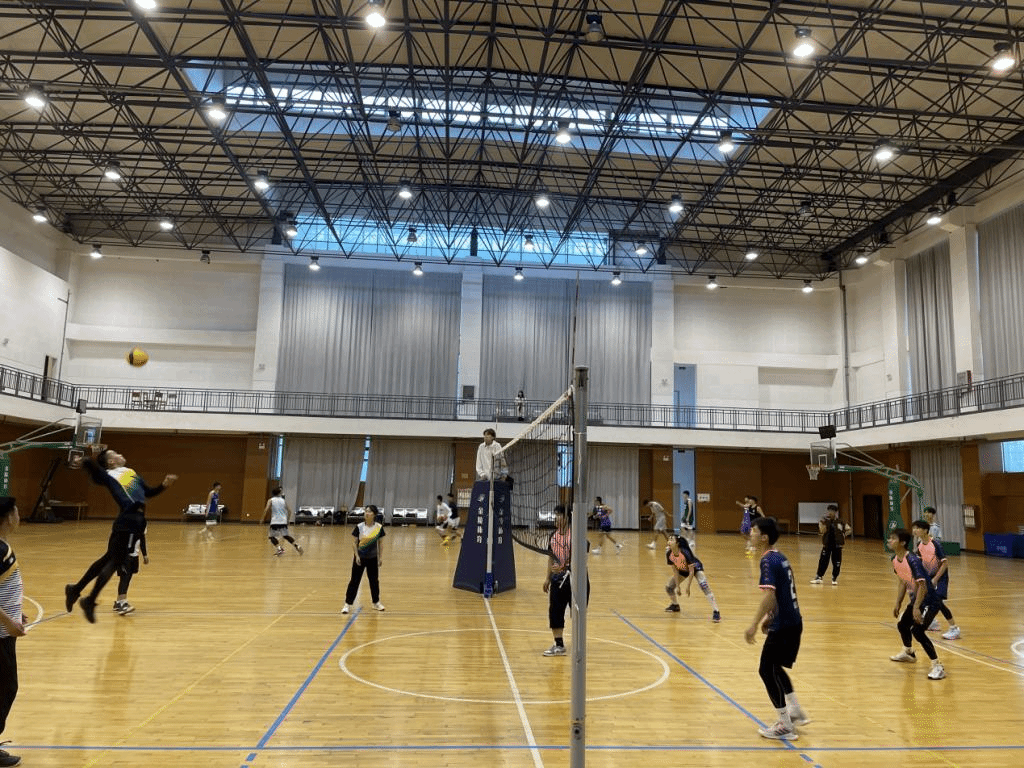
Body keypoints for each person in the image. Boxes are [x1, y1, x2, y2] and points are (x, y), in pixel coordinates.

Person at [67, 446, 177, 623]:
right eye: (116, 454)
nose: (120, 454)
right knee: (115, 561)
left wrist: (163, 485)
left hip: (134, 520)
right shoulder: (111, 475)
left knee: (107, 559)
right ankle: (89, 600)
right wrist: (86, 460)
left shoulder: (130, 473)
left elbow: (148, 493)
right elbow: (96, 472)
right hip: (129, 520)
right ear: (111, 461)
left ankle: (75, 590)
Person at [744, 517, 809, 741]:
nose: (750, 533)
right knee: (775, 667)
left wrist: (754, 624)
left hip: (784, 625)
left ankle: (785, 724)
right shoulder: (780, 557)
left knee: (766, 669)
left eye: (754, 530)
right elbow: (782, 593)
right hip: (792, 621)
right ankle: (794, 709)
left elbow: (770, 595)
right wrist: (770, 618)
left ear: (764, 537)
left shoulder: (767, 560)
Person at [888, 528, 946, 680]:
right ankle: (909, 653)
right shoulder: (895, 560)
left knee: (918, 631)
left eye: (893, 538)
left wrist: (916, 608)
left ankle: (937, 665)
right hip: (918, 600)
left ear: (902, 542)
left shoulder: (912, 560)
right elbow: (902, 582)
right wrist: (898, 603)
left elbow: (923, 586)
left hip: (930, 600)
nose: (889, 541)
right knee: (902, 625)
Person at [542, 505, 589, 656]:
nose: (556, 518)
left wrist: (565, 566)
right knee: (555, 611)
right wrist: (548, 578)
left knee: (578, 612)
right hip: (558, 580)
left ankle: (579, 645)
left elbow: (583, 556)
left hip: (577, 579)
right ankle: (559, 645)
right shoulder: (553, 536)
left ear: (567, 518)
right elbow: (551, 558)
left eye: (559, 515)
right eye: (555, 515)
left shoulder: (576, 534)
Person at [0, 497, 26, 768]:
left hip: (5, 629)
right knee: (5, 688)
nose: (19, 516)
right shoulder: (0, 550)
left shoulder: (3, 547)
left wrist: (15, 612)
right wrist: (8, 620)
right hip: (0, 633)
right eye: (16, 512)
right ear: (8, 517)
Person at [912, 518, 960, 640]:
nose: (915, 530)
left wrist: (935, 579)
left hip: (941, 577)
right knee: (936, 603)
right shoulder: (919, 545)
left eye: (917, 528)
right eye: (914, 528)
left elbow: (945, 563)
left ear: (925, 530)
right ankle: (935, 623)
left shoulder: (935, 544)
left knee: (937, 601)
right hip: (930, 578)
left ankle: (954, 628)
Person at [663, 534, 721, 622]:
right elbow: (675, 571)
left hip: (695, 568)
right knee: (669, 587)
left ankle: (716, 611)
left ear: (677, 543)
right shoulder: (669, 554)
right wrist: (678, 587)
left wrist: (688, 587)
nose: (669, 541)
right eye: (669, 539)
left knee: (704, 587)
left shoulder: (685, 553)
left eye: (672, 540)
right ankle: (675, 605)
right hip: (682, 569)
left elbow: (691, 571)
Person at [342, 506, 386, 614]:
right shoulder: (359, 527)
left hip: (373, 558)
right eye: (365, 511)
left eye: (369, 512)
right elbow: (354, 543)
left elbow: (380, 543)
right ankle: (347, 604)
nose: (367, 513)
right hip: (360, 558)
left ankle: (376, 602)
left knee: (374, 581)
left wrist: (380, 558)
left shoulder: (379, 528)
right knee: (354, 581)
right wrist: (357, 556)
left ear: (374, 514)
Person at [810, 504, 851, 585]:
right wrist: (822, 524)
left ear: (835, 512)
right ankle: (819, 577)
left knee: (837, 562)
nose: (830, 512)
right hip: (827, 544)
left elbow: (849, 529)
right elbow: (822, 530)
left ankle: (834, 577)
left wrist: (843, 535)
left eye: (832, 511)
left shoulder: (840, 522)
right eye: (829, 511)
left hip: (837, 545)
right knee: (823, 561)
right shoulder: (825, 521)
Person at [113, 526, 148, 615]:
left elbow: (142, 538)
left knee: (126, 579)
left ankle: (119, 602)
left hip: (134, 556)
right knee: (125, 579)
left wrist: (144, 554)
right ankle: (122, 604)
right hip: (124, 555)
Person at [261, 487, 303, 556]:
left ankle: (279, 549)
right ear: (279, 493)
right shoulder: (283, 501)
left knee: (271, 537)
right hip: (283, 521)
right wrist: (288, 520)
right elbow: (289, 511)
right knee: (286, 536)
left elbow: (266, 510)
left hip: (275, 521)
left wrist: (262, 519)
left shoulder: (271, 500)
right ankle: (297, 545)